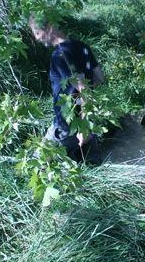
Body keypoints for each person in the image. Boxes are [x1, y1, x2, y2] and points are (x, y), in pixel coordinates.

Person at [28, 14, 105, 162]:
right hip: (85, 120)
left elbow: (84, 90)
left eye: (37, 32)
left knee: (37, 164)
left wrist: (83, 127)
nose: (37, 38)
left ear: (49, 28)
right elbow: (99, 78)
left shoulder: (60, 55)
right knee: (90, 167)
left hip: (67, 126)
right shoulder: (82, 46)